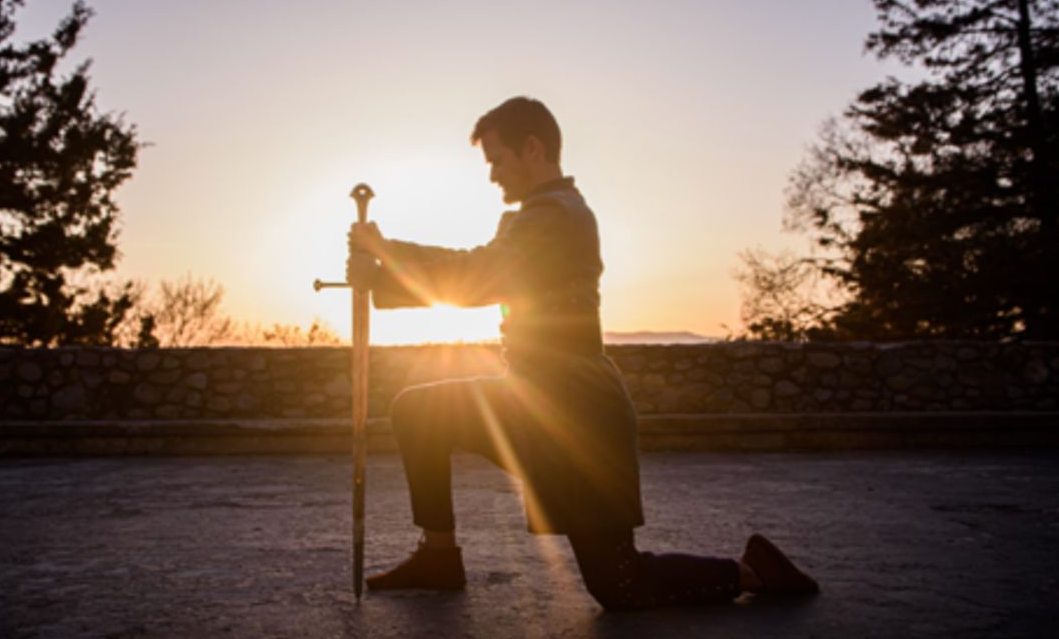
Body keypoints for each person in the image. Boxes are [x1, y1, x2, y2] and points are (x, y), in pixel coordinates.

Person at [346, 96, 818, 610]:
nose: (492, 177)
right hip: (533, 399)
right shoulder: (538, 216)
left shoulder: (558, 216)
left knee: (619, 583)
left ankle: (754, 573)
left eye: (497, 161)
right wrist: (385, 266)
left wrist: (387, 259)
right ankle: (438, 556)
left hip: (578, 412)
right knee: (419, 409)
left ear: (533, 148)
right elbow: (484, 267)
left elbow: (483, 273)